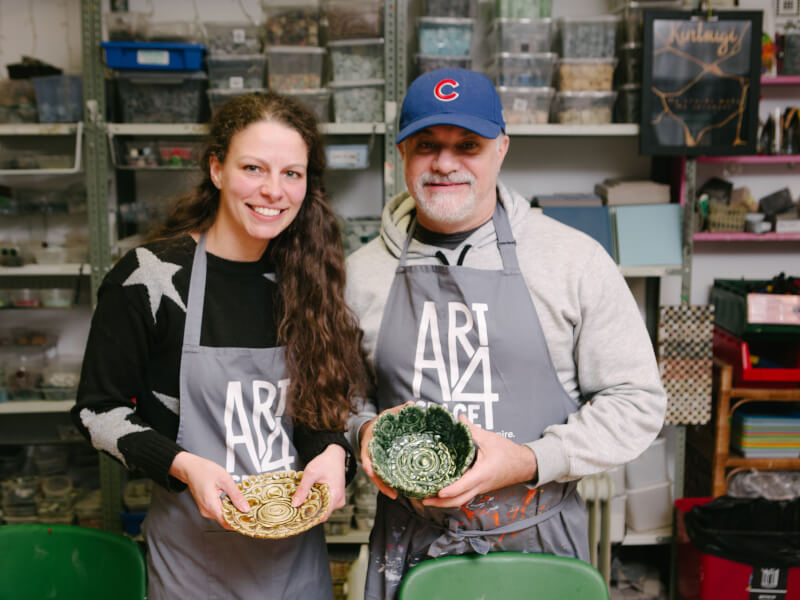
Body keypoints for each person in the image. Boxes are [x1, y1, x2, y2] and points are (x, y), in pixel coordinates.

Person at [344, 68, 668, 599]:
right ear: (401, 153)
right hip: (409, 545)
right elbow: (335, 399)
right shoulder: (360, 275)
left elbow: (636, 402)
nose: (445, 163)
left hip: (540, 544)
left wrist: (530, 460)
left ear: (501, 149)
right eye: (427, 144)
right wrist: (363, 434)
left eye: (467, 145)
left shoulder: (574, 261)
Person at [71, 91, 371, 599]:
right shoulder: (150, 277)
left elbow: (318, 415)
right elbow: (97, 412)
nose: (273, 191)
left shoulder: (308, 278)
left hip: (295, 564)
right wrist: (183, 464)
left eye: (291, 174)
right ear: (217, 169)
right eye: (253, 168)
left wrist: (331, 457)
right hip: (193, 564)